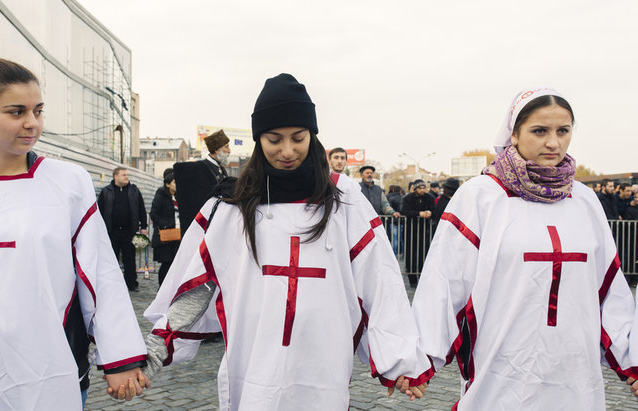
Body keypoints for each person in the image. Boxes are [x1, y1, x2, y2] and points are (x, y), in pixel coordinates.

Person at [142, 73, 431, 409]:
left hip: (323, 362)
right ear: (258, 140)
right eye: (274, 139)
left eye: (298, 137)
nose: (288, 150)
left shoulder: (342, 198)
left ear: (313, 135)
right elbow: (200, 283)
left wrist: (399, 361)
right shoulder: (234, 204)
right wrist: (155, 348)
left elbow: (378, 279)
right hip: (255, 360)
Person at [0, 49, 148, 410]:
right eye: (17, 112)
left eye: (37, 110)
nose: (33, 123)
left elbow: (98, 272)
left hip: (39, 367)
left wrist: (121, 356)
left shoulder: (66, 183)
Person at [411, 88, 636, 410]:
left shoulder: (585, 200)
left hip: (575, 371)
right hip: (503, 367)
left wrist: (632, 360)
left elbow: (609, 288)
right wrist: (419, 359)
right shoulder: (481, 196)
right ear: (514, 134)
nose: (553, 142)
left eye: (563, 131)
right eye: (539, 131)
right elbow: (444, 282)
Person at [97, 167, 148, 292]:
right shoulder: (106, 192)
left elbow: (141, 209)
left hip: (129, 231)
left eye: (127, 175)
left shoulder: (134, 191)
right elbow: (99, 211)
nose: (126, 177)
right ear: (115, 176)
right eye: (123, 175)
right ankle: (110, 284)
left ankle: (131, 284)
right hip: (111, 232)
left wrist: (144, 227)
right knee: (111, 259)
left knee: (129, 259)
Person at [400, 179, 434, 287]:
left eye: (424, 188)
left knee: (423, 254)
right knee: (410, 254)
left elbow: (434, 210)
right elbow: (405, 211)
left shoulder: (429, 198)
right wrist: (419, 213)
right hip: (410, 230)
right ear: (415, 189)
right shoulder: (408, 198)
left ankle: (423, 276)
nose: (422, 190)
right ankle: (412, 279)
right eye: (420, 188)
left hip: (423, 231)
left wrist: (430, 213)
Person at [150, 172, 180, 285]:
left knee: (176, 263)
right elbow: (153, 214)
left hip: (178, 235)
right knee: (166, 264)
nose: (177, 185)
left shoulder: (178, 196)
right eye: (174, 182)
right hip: (166, 236)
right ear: (167, 184)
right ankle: (162, 287)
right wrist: (167, 224)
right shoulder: (161, 195)